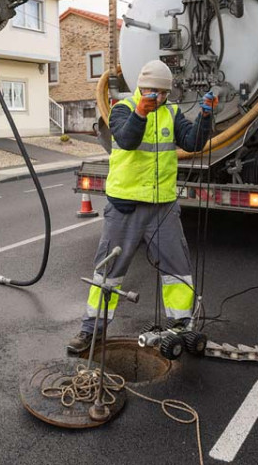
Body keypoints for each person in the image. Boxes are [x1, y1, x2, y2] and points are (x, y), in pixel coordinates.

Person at [67, 60, 217, 353]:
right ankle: (91, 330)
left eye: (162, 93)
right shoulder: (123, 108)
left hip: (163, 207)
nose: (157, 98)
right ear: (140, 86)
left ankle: (180, 328)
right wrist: (140, 113)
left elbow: (193, 142)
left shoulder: (171, 112)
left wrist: (205, 116)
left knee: (178, 269)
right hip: (126, 207)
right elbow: (126, 138)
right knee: (108, 271)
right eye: (151, 91)